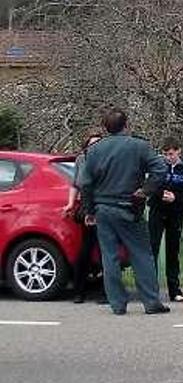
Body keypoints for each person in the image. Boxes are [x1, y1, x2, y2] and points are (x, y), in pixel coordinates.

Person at [79, 109, 170, 316]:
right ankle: (151, 302)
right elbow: (160, 169)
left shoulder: (94, 150)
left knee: (109, 257)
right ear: (126, 125)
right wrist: (146, 190)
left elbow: (86, 183)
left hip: (103, 209)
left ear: (105, 128)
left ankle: (117, 304)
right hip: (129, 206)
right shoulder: (139, 146)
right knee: (141, 254)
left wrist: (89, 209)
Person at [63, 130, 107, 304]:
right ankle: (79, 290)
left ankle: (106, 291)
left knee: (106, 250)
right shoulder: (81, 160)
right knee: (86, 249)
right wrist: (70, 203)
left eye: (98, 143)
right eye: (91, 144)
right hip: (86, 207)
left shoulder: (107, 160)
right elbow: (75, 184)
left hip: (103, 205)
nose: (95, 147)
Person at [148, 136, 183, 303]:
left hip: (176, 212)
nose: (168, 157)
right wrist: (160, 194)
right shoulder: (158, 167)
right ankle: (151, 288)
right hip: (158, 210)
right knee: (153, 248)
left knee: (173, 251)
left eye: (171, 154)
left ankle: (174, 289)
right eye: (165, 154)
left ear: (178, 151)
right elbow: (151, 185)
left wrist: (176, 197)